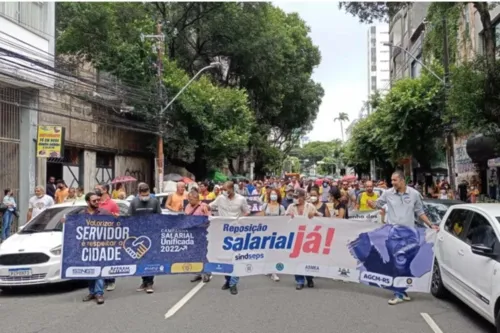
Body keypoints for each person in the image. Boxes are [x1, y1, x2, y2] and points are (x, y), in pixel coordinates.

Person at [367, 170, 438, 305]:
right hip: (393, 234)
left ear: (402, 180)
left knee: (405, 264)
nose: (392, 183)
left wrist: (430, 225)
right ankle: (399, 293)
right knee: (397, 263)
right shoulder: (388, 193)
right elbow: (378, 204)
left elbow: (419, 212)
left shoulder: (414, 194)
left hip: (410, 235)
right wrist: (372, 203)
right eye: (391, 180)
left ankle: (402, 291)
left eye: (395, 180)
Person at [208, 181, 250, 295]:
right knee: (225, 258)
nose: (224, 192)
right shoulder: (220, 198)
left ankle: (233, 283)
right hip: (223, 233)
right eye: (223, 189)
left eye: (226, 189)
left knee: (235, 258)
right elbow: (209, 206)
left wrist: (239, 220)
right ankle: (228, 280)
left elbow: (247, 212)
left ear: (232, 189)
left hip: (236, 234)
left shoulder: (241, 199)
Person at [128, 183, 162, 294]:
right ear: (139, 193)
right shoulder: (134, 203)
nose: (145, 197)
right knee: (141, 259)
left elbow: (159, 217)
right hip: (138, 235)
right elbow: (129, 218)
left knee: (151, 259)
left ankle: (150, 283)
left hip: (152, 235)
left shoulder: (154, 201)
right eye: (143, 195)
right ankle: (144, 281)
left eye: (147, 194)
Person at [79, 191, 111, 305]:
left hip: (101, 247)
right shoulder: (82, 215)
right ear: (88, 202)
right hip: (87, 247)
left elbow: (115, 226)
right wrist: (65, 222)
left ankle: (99, 293)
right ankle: (92, 292)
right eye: (94, 201)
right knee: (90, 270)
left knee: (99, 269)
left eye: (98, 200)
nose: (97, 202)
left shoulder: (104, 213)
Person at [285, 188, 321, 290]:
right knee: (296, 259)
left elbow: (321, 218)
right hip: (295, 236)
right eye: (294, 197)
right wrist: (289, 217)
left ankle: (309, 278)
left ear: (303, 197)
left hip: (309, 237)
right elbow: (284, 220)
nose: (295, 199)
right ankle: (299, 280)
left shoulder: (310, 207)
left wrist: (313, 215)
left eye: (297, 197)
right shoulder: (291, 207)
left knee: (309, 259)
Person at [95, 183, 119, 291]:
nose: (96, 190)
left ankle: (111, 281)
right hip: (97, 234)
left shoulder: (112, 204)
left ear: (105, 190)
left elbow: (118, 219)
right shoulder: (95, 203)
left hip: (109, 234)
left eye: (98, 189)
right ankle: (102, 280)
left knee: (109, 258)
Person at [185, 189, 211, 283]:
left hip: (202, 234)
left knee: (203, 254)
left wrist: (201, 225)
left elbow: (209, 219)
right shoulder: (188, 206)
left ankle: (207, 272)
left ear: (196, 199)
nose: (189, 201)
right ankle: (198, 273)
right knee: (194, 254)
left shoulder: (204, 207)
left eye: (191, 199)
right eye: (188, 199)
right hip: (192, 234)